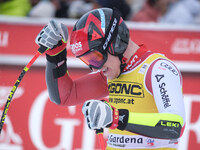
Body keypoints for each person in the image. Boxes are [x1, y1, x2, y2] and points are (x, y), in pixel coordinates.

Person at [35, 8, 186, 150]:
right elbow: (65, 96)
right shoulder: (113, 72)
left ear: (115, 44)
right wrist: (56, 55)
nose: (95, 68)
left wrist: (117, 118)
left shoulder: (158, 69)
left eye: (94, 58)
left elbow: (174, 126)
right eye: (87, 61)